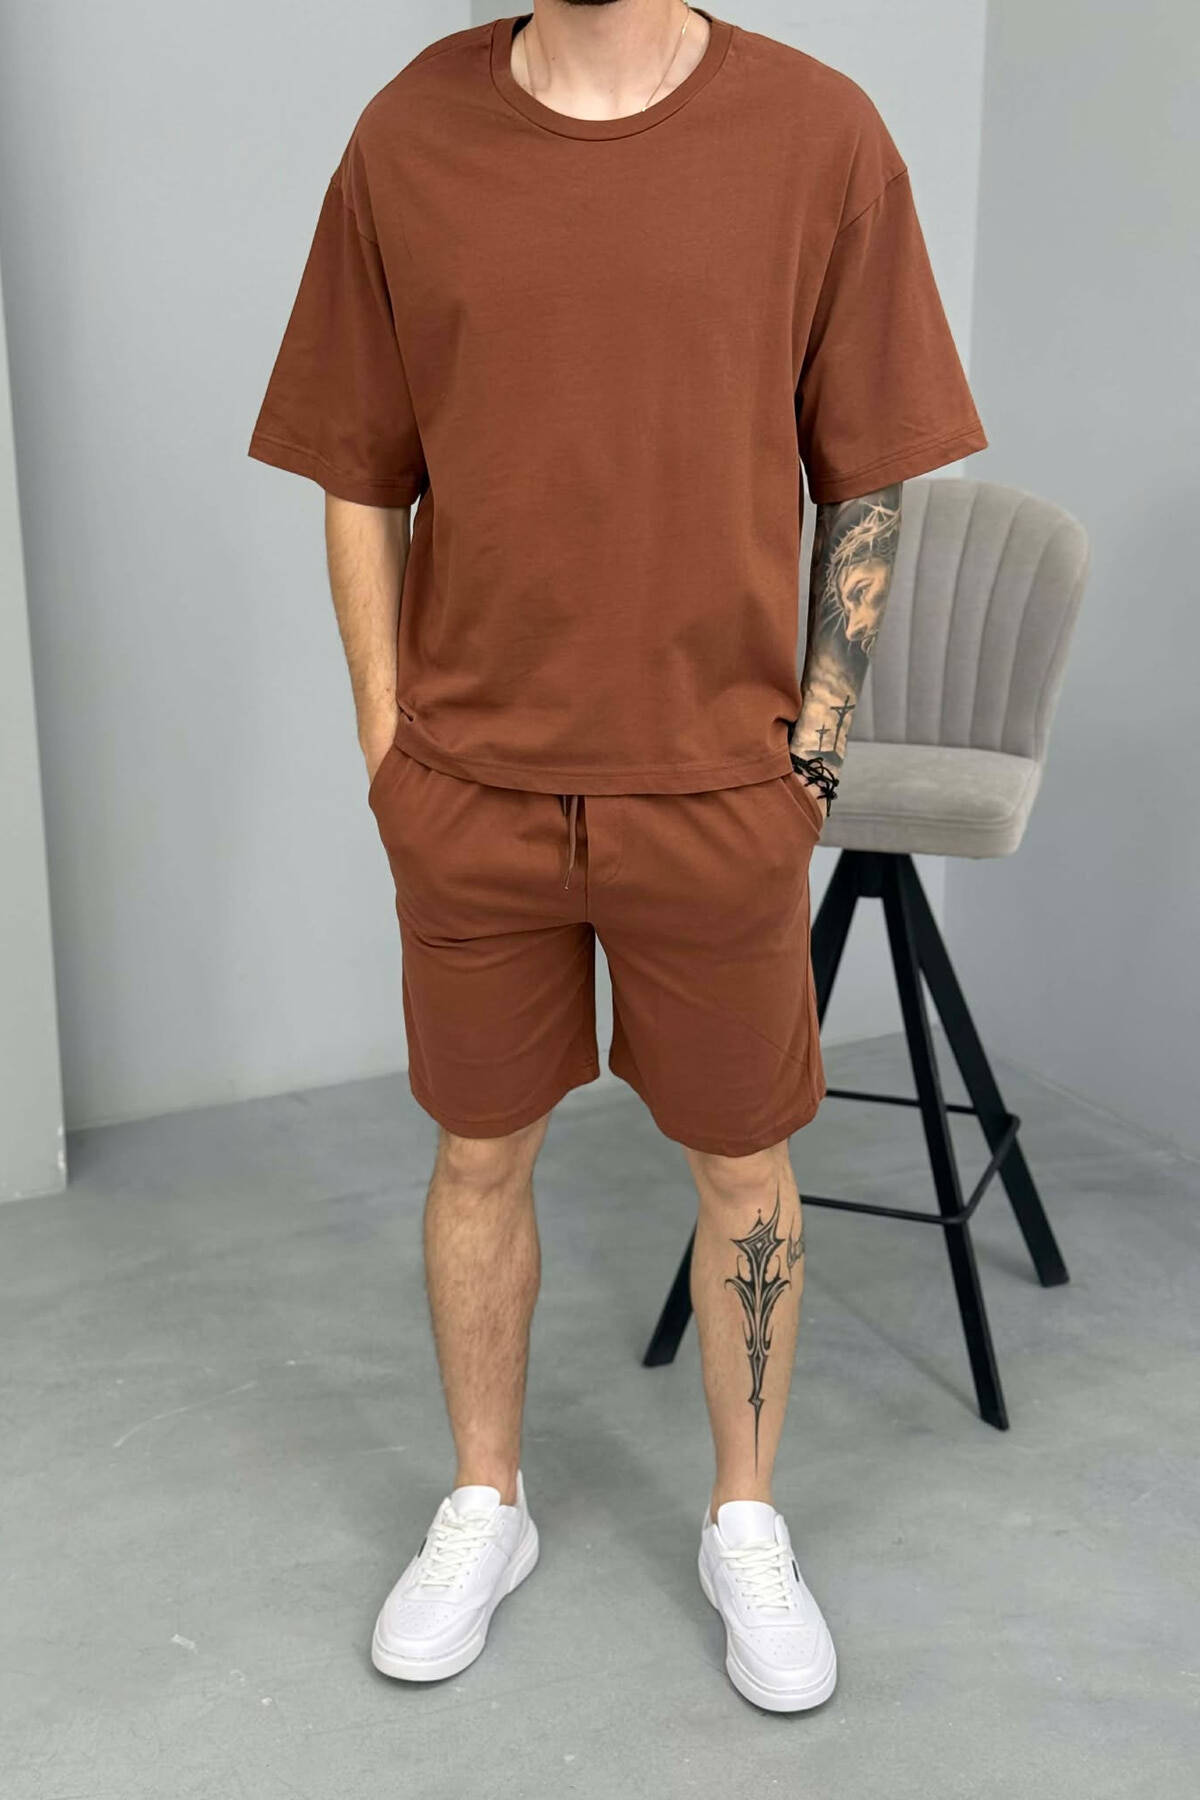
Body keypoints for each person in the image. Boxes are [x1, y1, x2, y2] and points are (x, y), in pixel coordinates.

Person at [248, 1, 986, 1714]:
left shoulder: (818, 136)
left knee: (745, 1170)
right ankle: (484, 1502)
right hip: (474, 786)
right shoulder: (409, 135)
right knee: (476, 1155)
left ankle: (746, 1520)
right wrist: (386, 740)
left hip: (715, 791)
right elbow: (357, 467)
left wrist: (812, 747)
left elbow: (871, 469)